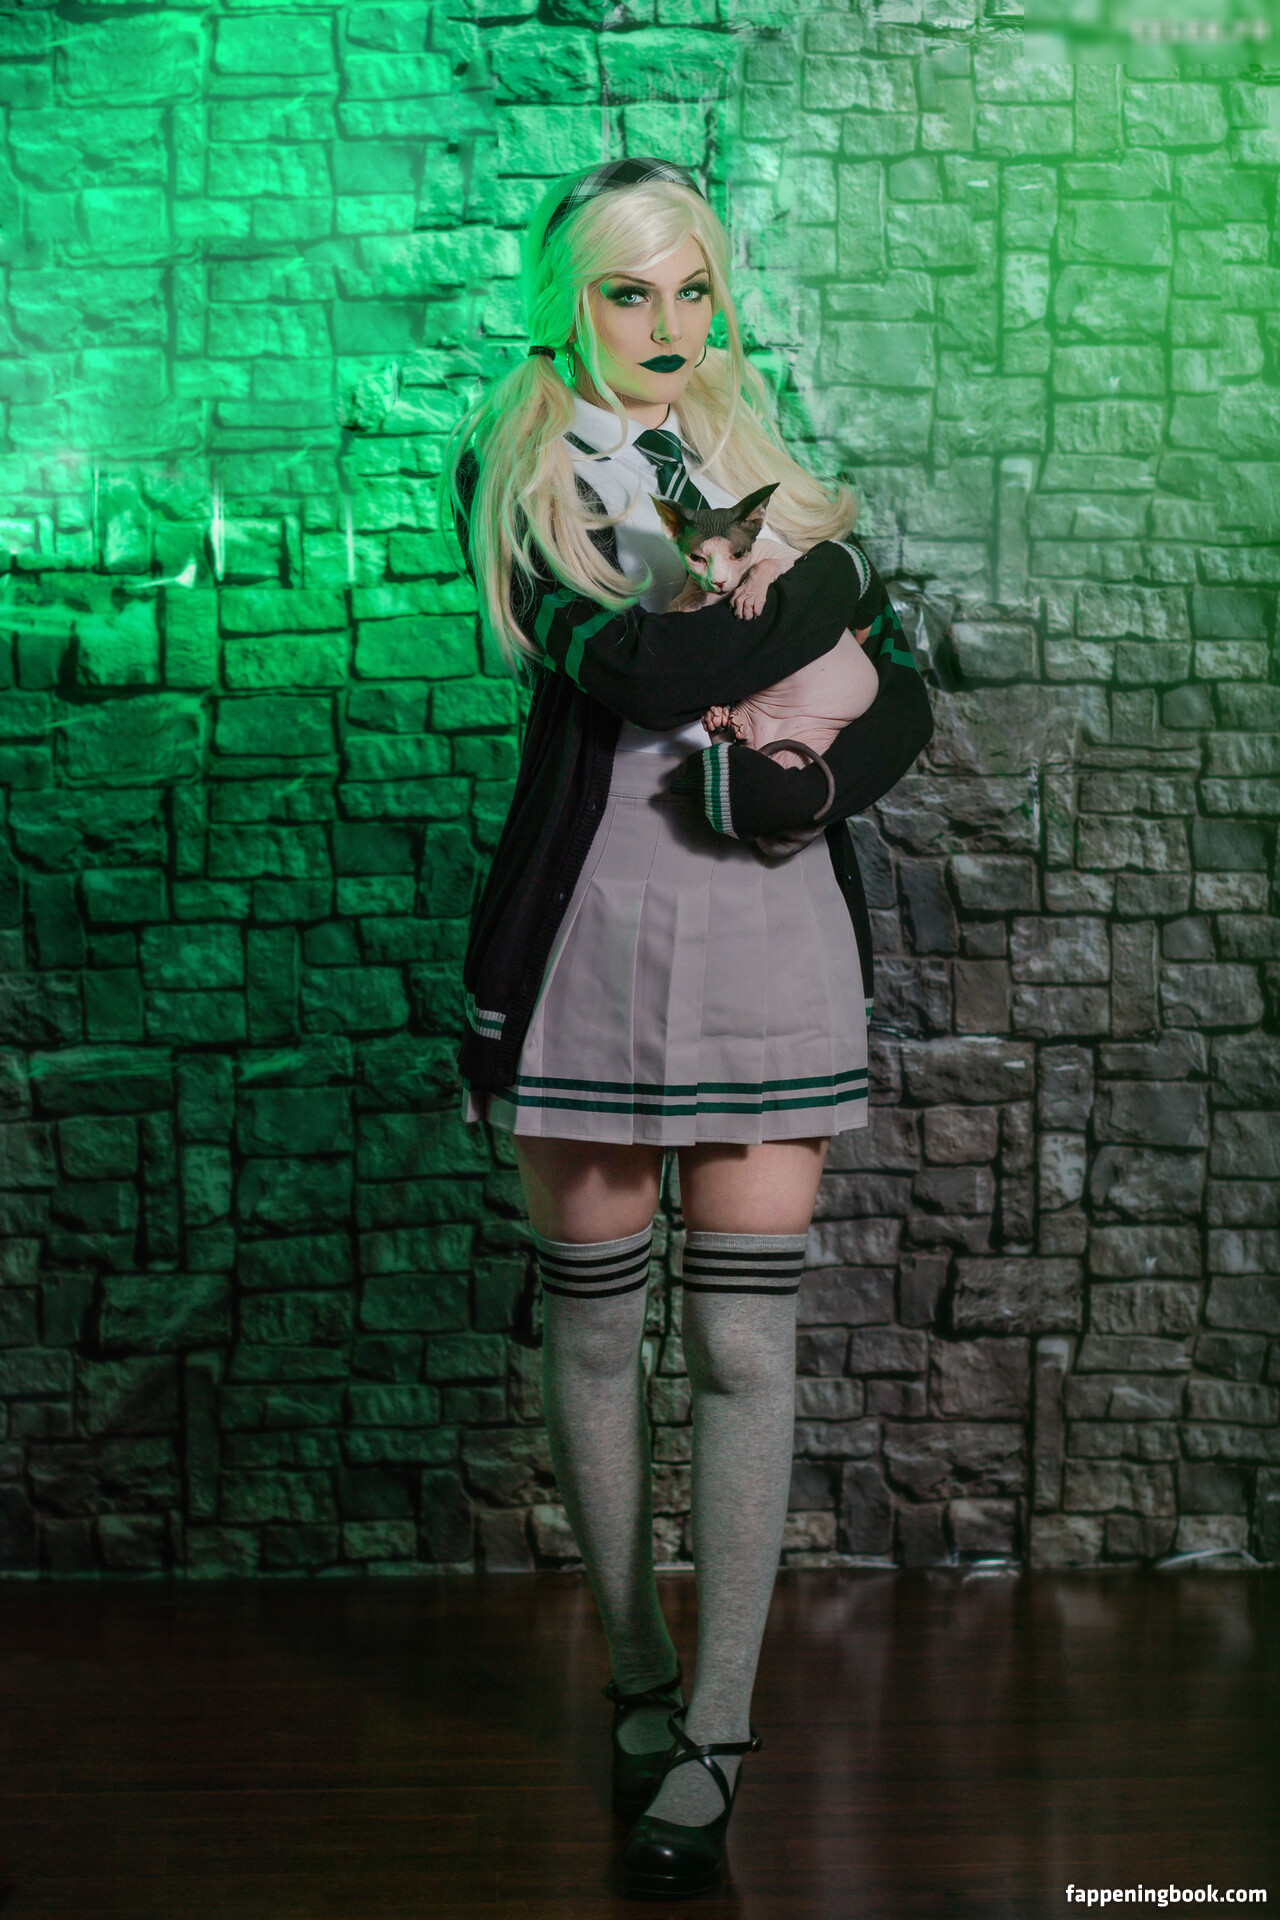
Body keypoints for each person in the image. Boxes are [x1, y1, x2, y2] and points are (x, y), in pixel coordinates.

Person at [442, 156, 933, 1901]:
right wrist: (836, 570)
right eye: (627, 290)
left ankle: (717, 1730)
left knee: (741, 1345)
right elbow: (646, 674)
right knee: (595, 1341)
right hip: (587, 946)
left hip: (768, 946)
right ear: (565, 300)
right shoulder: (514, 468)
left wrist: (817, 784)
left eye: (693, 287)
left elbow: (906, 698)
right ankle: (639, 1675)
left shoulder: (754, 449)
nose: (667, 324)